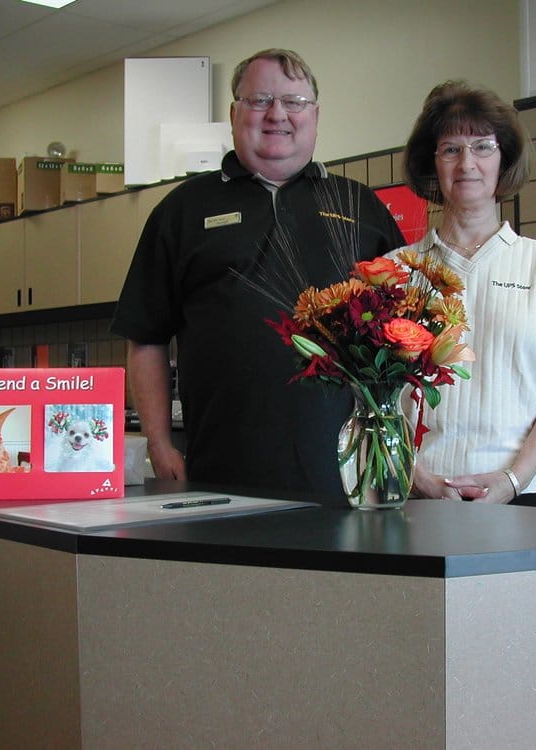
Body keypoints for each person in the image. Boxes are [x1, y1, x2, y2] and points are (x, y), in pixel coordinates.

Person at [110, 48, 404, 505]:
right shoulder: (181, 210)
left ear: (315, 116)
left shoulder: (360, 207)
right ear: (234, 114)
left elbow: (404, 339)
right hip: (217, 471)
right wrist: (159, 442)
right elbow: (146, 338)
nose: (277, 114)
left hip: (344, 474)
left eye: (294, 102)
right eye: (260, 100)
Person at [393, 80, 536, 509]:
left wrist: (513, 479)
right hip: (421, 494)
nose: (467, 163)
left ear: (504, 159)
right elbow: (374, 397)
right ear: (432, 163)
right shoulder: (396, 270)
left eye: (483, 147)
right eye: (451, 149)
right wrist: (418, 478)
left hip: (530, 493)